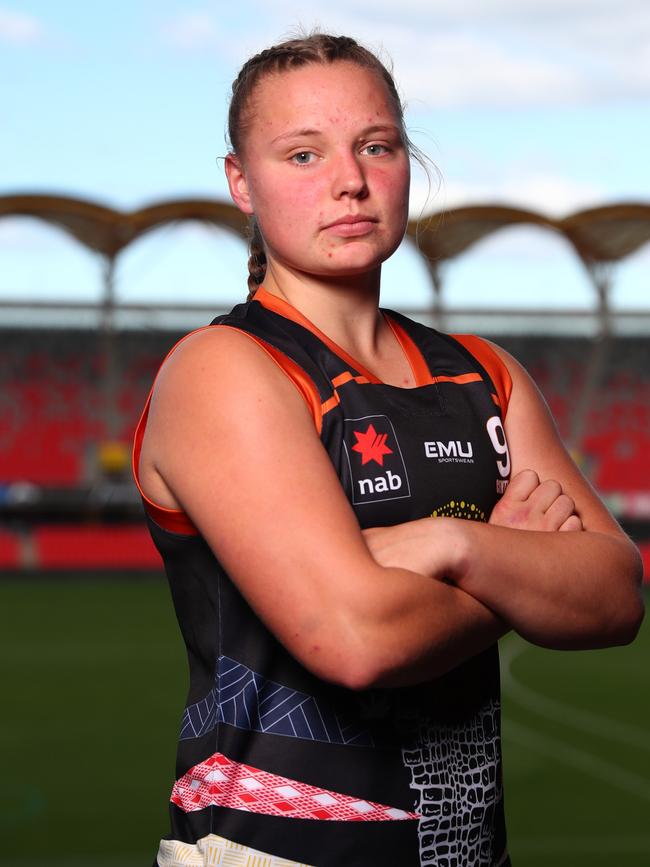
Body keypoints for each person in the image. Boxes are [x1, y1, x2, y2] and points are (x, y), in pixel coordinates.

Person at [133, 33, 644, 867]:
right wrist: (521, 564)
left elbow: (617, 595)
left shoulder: (484, 373)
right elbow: (356, 637)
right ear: (241, 184)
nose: (350, 179)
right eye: (302, 153)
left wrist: (455, 542)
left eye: (377, 145)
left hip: (465, 850)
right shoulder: (225, 368)